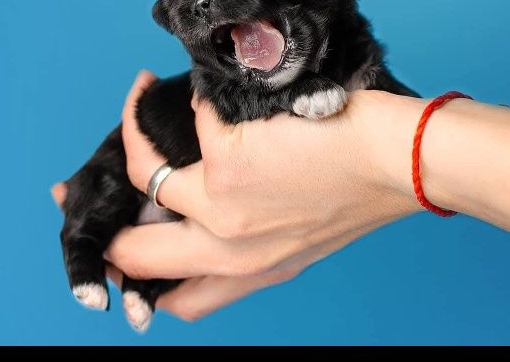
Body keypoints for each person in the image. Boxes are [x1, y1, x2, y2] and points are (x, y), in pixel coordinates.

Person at [51, 72, 510, 322]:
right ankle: (106, 273)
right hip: (145, 170)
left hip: (189, 184)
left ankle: (139, 285)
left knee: (165, 247)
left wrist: (393, 153)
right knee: (101, 215)